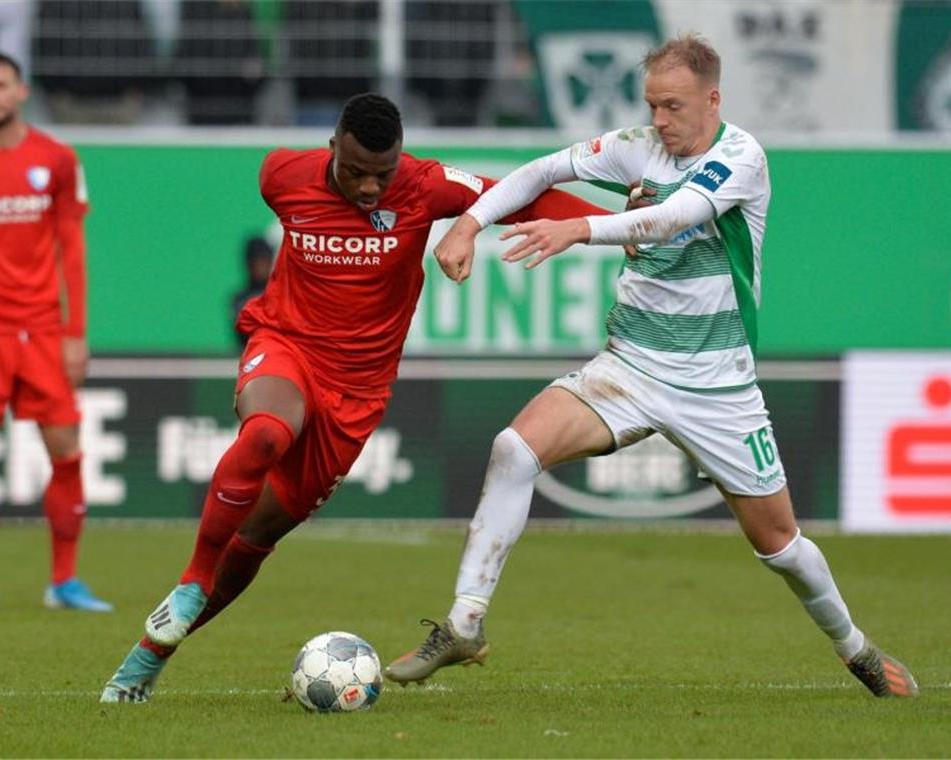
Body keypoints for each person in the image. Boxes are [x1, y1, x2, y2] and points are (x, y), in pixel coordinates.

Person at [386, 35, 919, 699]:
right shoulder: (641, 143)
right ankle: (465, 623)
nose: (660, 120)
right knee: (514, 449)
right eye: (653, 105)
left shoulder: (741, 157)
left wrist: (581, 230)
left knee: (780, 545)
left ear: (712, 99)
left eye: (673, 106)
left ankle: (855, 648)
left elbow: (673, 218)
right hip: (629, 367)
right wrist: (468, 224)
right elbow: (542, 172)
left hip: (716, 385)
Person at [100, 93, 609, 703]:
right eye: (356, 171)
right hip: (286, 345)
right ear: (333, 144)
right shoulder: (282, 175)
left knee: (257, 537)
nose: (370, 188)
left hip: (357, 393)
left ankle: (147, 659)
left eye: (382, 173)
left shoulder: (425, 185)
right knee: (265, 432)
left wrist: (605, 228)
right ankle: (192, 579)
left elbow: (521, 194)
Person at [0, 52, 112, 614]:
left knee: (66, 447)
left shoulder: (55, 159)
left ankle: (64, 581)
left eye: (0, 85)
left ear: (21, 90)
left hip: (43, 329)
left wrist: (75, 331)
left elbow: (71, 250)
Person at [229, 235, 274, 348]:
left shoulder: (281, 294)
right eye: (257, 261)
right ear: (248, 263)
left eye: (265, 260)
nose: (261, 266)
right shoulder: (239, 299)